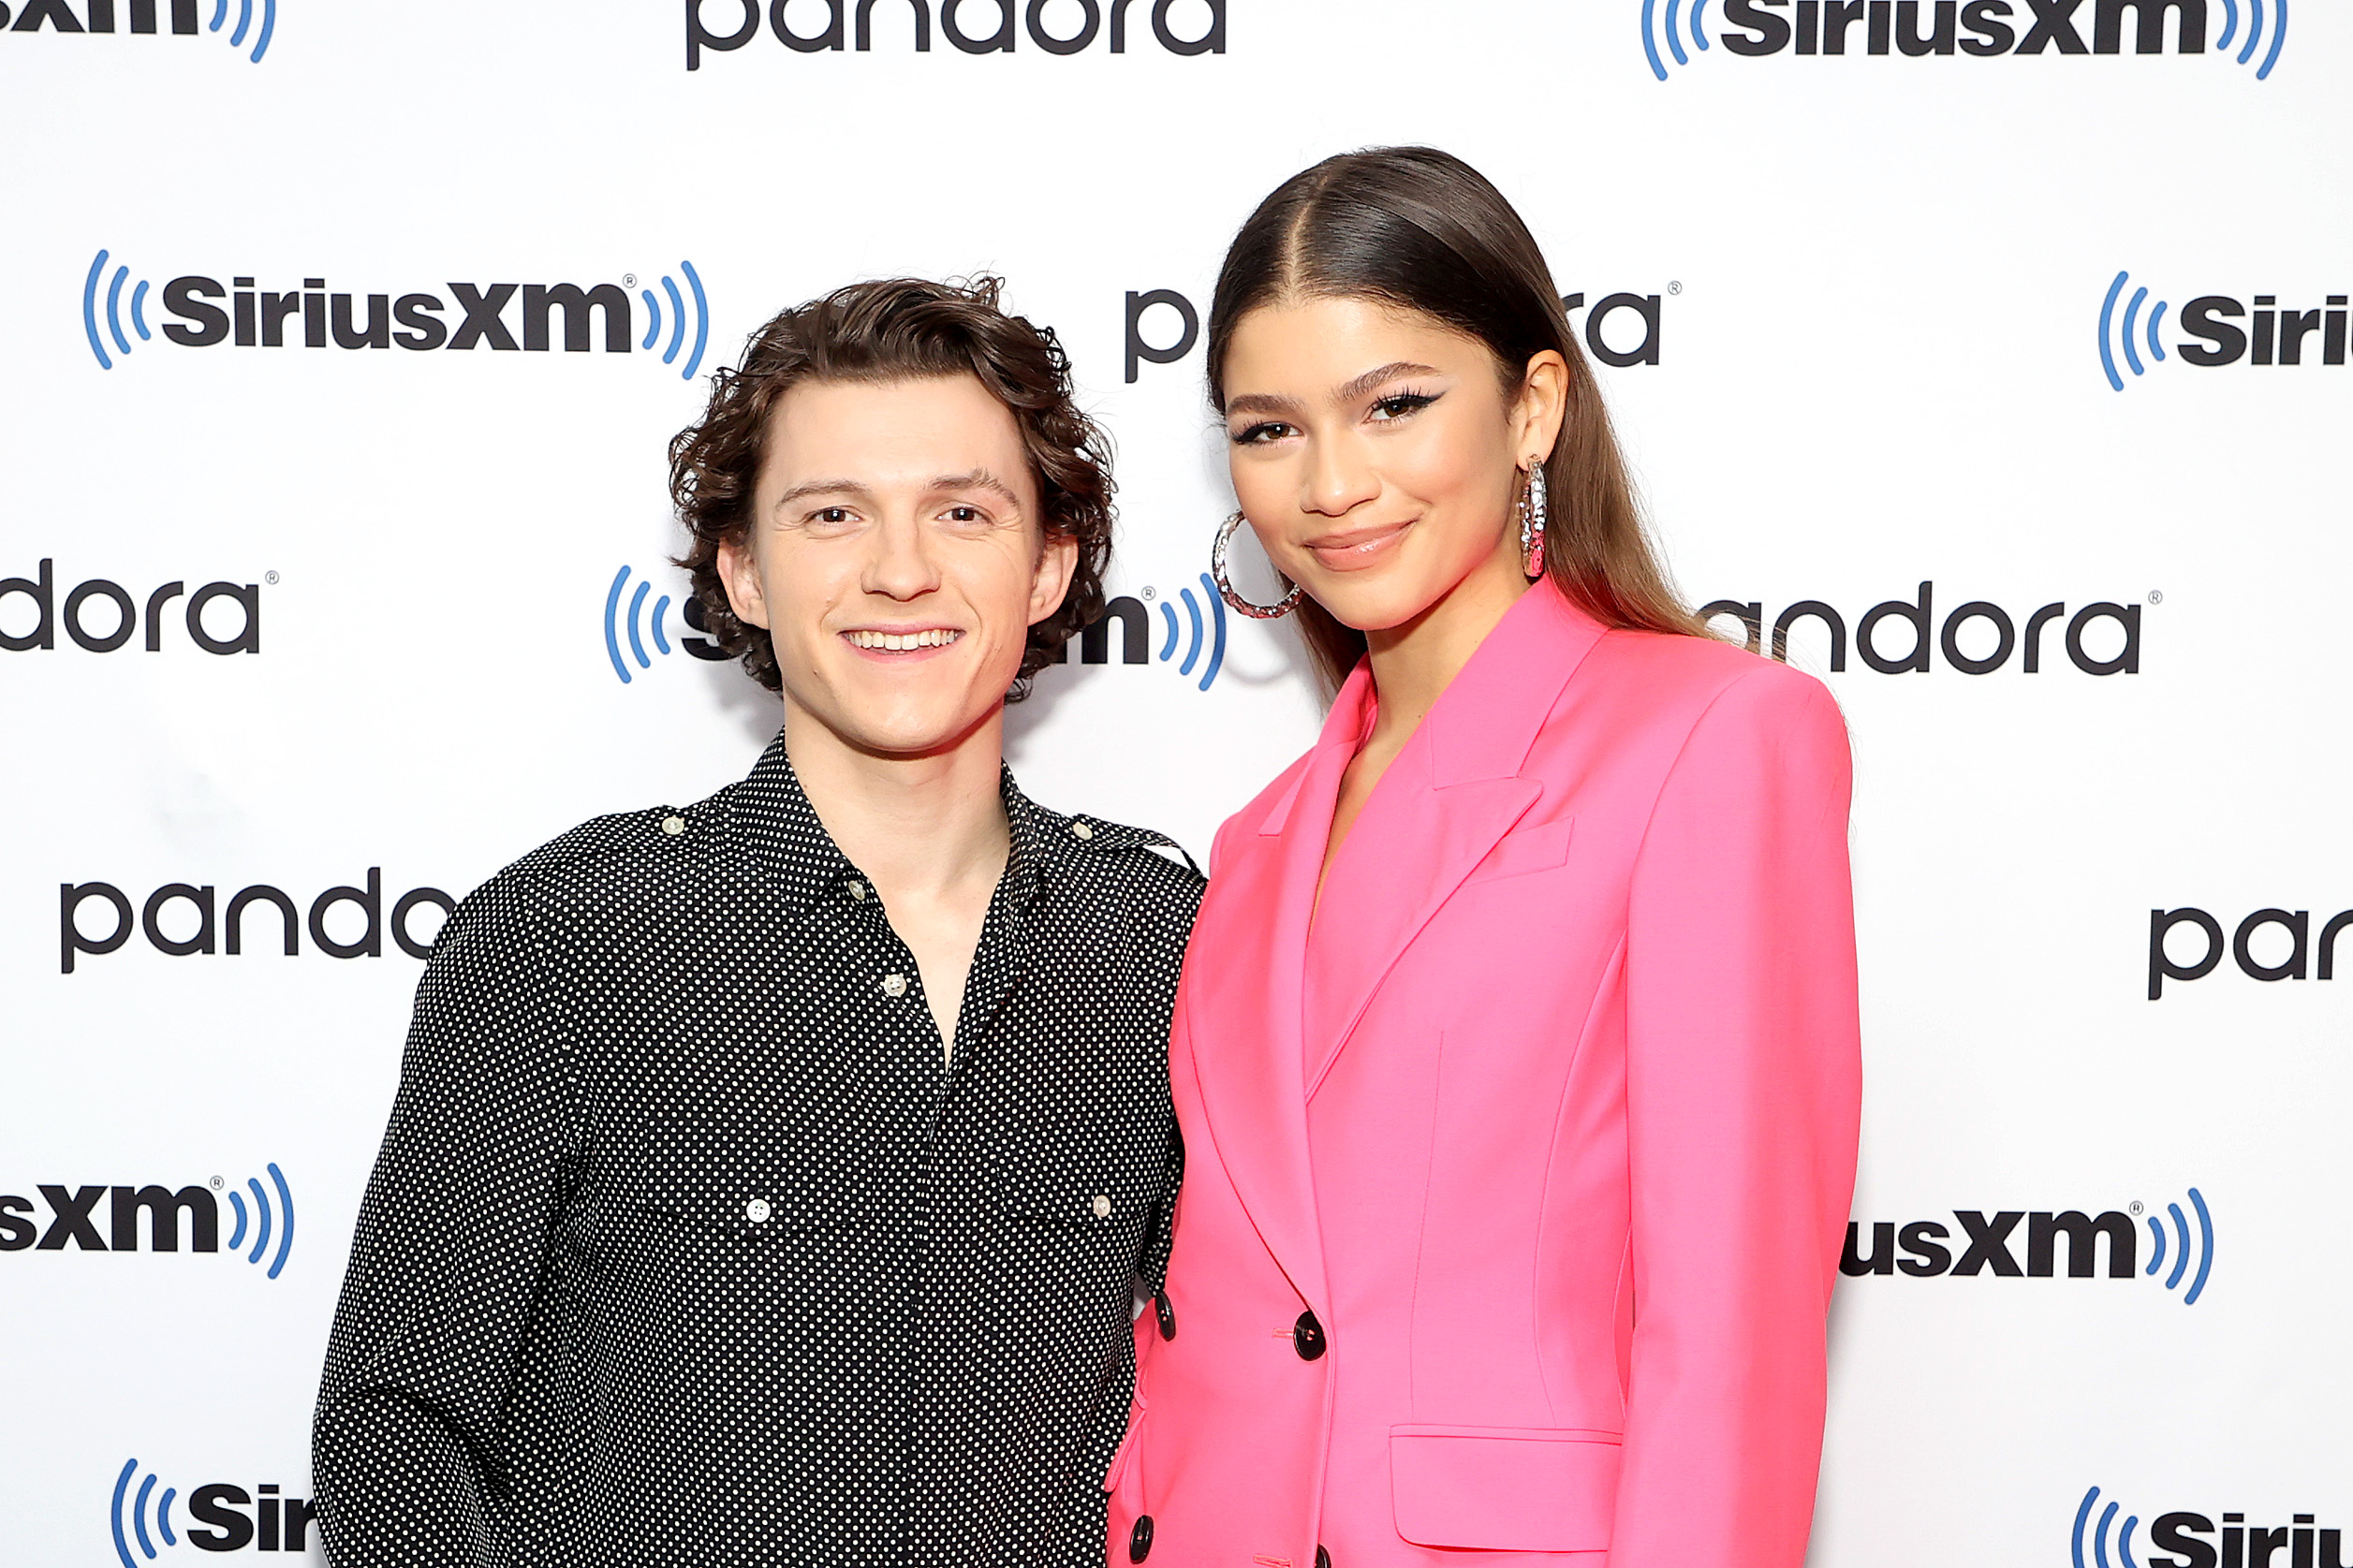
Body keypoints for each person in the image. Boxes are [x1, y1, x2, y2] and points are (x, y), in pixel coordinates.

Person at [313, 276, 1200, 1568]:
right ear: (745, 568)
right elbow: (399, 1428)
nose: (900, 571)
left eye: (961, 511)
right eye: (833, 515)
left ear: (1048, 564)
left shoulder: (1164, 947)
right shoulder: (565, 943)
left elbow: (1246, 1394)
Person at [1104, 149, 1861, 1568]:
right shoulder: (1259, 839)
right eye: (1266, 431)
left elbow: (1730, 1333)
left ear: (1533, 406)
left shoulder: (1711, 737)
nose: (1331, 484)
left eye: (1392, 406)